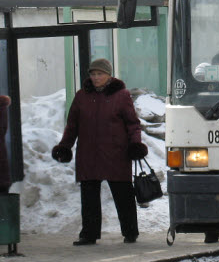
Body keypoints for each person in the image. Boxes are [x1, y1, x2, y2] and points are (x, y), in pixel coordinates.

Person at [51, 58, 148, 246]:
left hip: (116, 154)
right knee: (89, 196)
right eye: (93, 74)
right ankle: (89, 233)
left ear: (109, 75)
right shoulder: (81, 97)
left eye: (100, 74)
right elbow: (72, 126)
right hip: (89, 154)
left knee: (123, 194)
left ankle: (130, 231)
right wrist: (65, 146)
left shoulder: (121, 95)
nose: (96, 78)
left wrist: (135, 144)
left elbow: (132, 124)